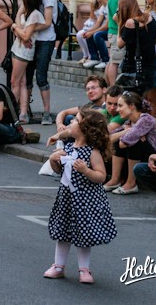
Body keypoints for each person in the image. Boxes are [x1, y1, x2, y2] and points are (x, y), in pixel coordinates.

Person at [44, 109, 116, 284]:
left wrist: (86, 171)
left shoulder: (92, 152)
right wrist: (54, 160)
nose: (70, 123)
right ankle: (58, 266)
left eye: (75, 121)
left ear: (85, 129)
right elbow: (59, 172)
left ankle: (84, 269)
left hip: (86, 201)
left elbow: (101, 176)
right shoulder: (68, 147)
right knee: (62, 233)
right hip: (67, 199)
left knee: (84, 236)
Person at [103, 91, 156, 195]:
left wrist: (128, 134)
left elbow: (123, 143)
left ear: (132, 106)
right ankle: (115, 180)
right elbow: (108, 139)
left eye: (120, 105)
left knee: (134, 143)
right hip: (148, 155)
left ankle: (131, 184)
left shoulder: (146, 119)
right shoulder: (130, 121)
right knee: (125, 139)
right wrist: (125, 131)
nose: (117, 109)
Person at [17, 0, 56, 125]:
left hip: (45, 40)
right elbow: (19, 14)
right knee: (27, 75)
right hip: (31, 39)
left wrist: (27, 29)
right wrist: (23, 31)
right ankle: (25, 112)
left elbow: (47, 22)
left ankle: (47, 113)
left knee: (41, 76)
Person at [10, 0, 45, 124]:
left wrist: (14, 27)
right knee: (23, 82)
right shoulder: (27, 11)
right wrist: (17, 28)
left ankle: (12, 111)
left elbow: (25, 36)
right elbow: (19, 22)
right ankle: (22, 113)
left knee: (15, 82)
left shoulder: (35, 14)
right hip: (17, 48)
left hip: (24, 51)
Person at [116, 0, 156, 95]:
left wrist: (119, 24)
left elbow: (120, 44)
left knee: (132, 98)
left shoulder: (131, 22)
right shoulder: (149, 17)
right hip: (150, 64)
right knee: (145, 97)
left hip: (135, 66)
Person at [104, 0, 131, 86]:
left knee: (112, 61)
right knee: (115, 62)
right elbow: (118, 17)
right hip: (116, 32)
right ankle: (113, 87)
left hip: (114, 32)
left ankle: (109, 86)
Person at [82, 0, 110, 69]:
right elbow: (98, 23)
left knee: (97, 35)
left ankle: (105, 60)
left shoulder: (109, 6)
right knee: (89, 34)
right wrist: (88, 31)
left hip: (113, 30)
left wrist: (92, 32)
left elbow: (106, 26)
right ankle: (94, 58)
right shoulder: (103, 7)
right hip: (106, 29)